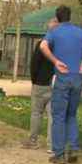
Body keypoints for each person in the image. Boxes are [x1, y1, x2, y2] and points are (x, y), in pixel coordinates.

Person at [40, 6, 82, 164]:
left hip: (62, 76)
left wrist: (55, 61)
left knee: (59, 115)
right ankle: (73, 148)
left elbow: (43, 46)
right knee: (72, 114)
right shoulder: (80, 32)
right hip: (78, 77)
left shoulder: (54, 31)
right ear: (70, 16)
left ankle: (59, 153)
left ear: (57, 17)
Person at [21, 17, 58, 151]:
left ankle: (33, 141)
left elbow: (34, 64)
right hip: (56, 83)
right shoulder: (61, 46)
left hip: (40, 82)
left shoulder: (42, 44)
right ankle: (52, 145)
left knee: (36, 113)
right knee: (53, 116)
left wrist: (34, 80)